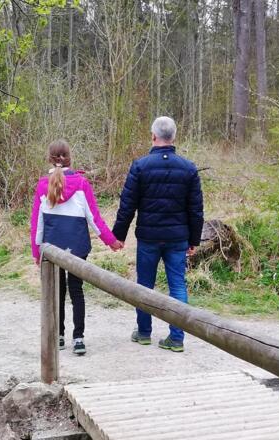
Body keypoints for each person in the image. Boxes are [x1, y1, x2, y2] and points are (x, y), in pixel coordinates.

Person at [112, 116, 204, 353]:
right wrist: (194, 239)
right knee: (178, 286)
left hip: (149, 238)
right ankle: (177, 337)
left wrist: (118, 236)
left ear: (153, 136)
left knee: (144, 285)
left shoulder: (140, 166)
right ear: (173, 137)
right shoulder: (189, 168)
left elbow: (127, 205)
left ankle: (143, 332)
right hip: (177, 239)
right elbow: (196, 209)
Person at [30, 139, 122, 356]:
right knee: (76, 290)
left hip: (52, 249)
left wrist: (37, 252)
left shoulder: (43, 185)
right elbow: (94, 219)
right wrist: (112, 242)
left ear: (49, 158)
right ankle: (78, 338)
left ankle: (59, 336)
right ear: (70, 158)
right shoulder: (81, 184)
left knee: (58, 291)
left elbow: (37, 224)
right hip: (78, 246)